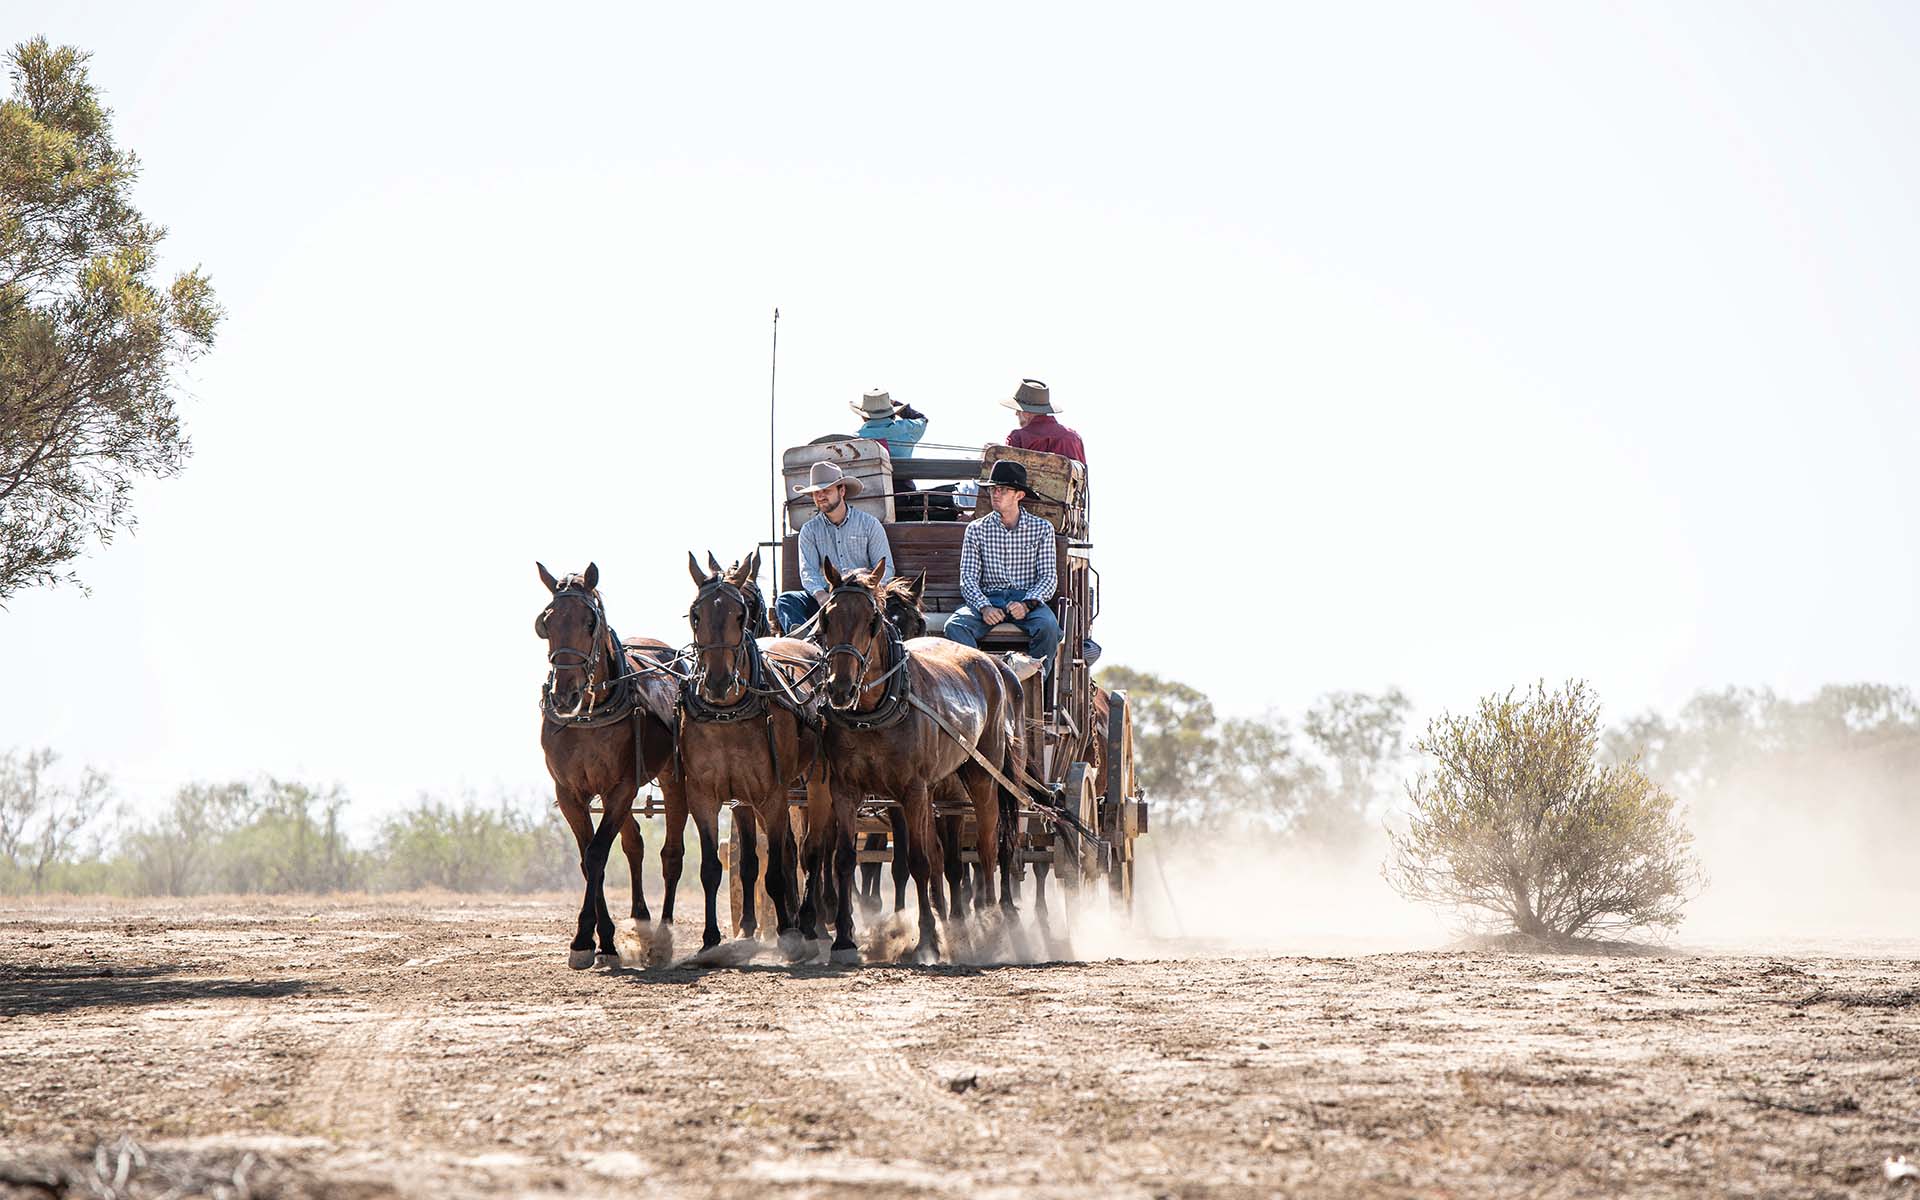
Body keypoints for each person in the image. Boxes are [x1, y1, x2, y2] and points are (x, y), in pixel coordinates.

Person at [944, 460, 1062, 694]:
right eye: (992, 489)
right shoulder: (977, 529)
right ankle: (981, 688)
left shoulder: (1042, 529)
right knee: (955, 626)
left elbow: (1048, 577)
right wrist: (984, 607)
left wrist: (1028, 604)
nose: (995, 494)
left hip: (1027, 599)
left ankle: (1034, 693)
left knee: (1048, 627)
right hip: (989, 598)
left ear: (1019, 495)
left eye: (1003, 490)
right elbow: (968, 578)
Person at [775, 461, 894, 635]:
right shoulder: (809, 531)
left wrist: (866, 590)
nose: (820, 496)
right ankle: (806, 645)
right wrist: (819, 594)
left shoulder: (869, 525)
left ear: (842, 491)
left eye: (826, 490)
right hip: (827, 598)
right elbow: (808, 571)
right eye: (816, 492)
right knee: (786, 601)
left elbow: (887, 568)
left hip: (862, 597)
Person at [1001, 378, 1085, 465]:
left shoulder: (1018, 438)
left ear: (1025, 413)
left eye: (1018, 411)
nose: (1016, 414)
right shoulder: (1074, 437)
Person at [851, 388, 927, 459]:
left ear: (863, 417)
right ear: (894, 414)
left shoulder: (855, 438)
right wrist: (895, 403)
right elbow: (923, 419)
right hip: (904, 472)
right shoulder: (908, 429)